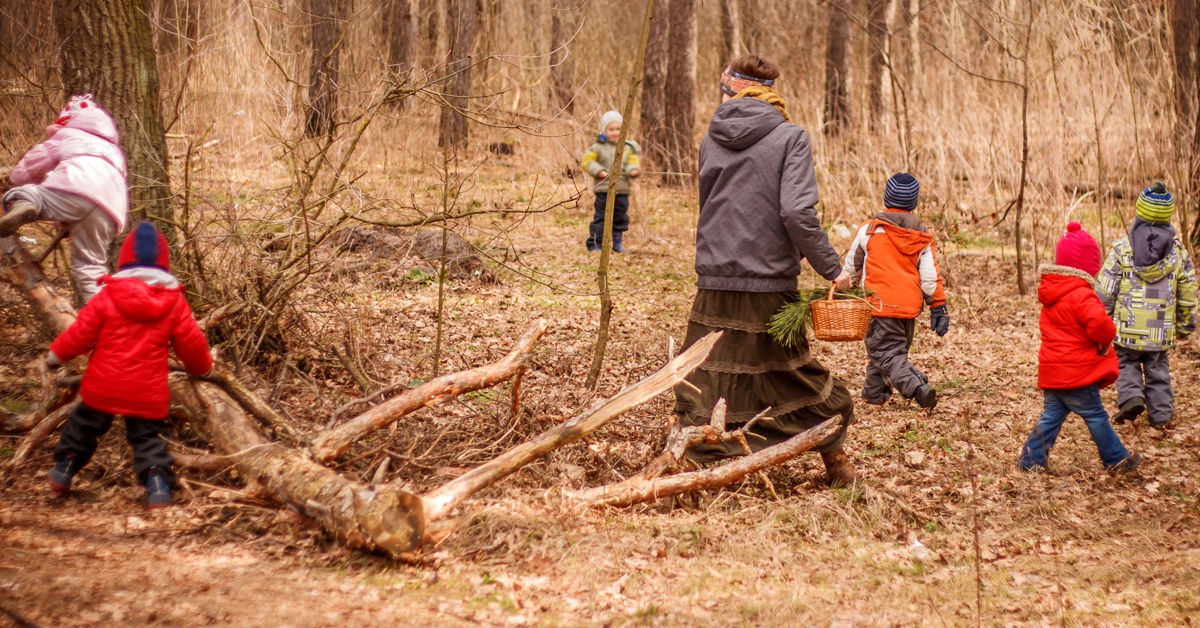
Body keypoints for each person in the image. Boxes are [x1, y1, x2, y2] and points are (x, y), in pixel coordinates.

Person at [672, 54, 858, 487]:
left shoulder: (710, 137)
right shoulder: (790, 137)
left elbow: (708, 207)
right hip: (769, 282)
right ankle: (836, 463)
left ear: (731, 88)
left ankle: (693, 461)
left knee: (707, 378)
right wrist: (832, 269)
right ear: (771, 91)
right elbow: (796, 212)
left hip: (714, 280)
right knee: (795, 375)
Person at [44, 221, 213, 509]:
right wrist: (204, 369)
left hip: (102, 385)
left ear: (123, 260)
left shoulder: (107, 295)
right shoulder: (174, 302)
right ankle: (158, 486)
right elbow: (191, 343)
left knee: (83, 426)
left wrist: (55, 357)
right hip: (147, 391)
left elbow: (80, 334)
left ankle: (64, 469)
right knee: (148, 438)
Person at [1018, 222, 1141, 474]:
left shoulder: (1053, 291)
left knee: (1051, 417)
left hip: (1054, 371)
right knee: (1095, 415)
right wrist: (1109, 334)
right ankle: (1116, 459)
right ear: (1088, 267)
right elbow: (1100, 325)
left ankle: (1030, 461)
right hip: (1077, 373)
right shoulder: (1082, 295)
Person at [1, 94, 129, 303]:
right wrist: (71, 221)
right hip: (109, 210)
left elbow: (33, 164)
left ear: (68, 120)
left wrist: (14, 180)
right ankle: (107, 322)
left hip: (74, 188)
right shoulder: (115, 151)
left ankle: (26, 204)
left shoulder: (68, 135)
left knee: (25, 194)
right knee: (91, 268)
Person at [839, 173, 948, 409]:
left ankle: (917, 386)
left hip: (879, 306)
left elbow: (851, 268)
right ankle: (874, 393)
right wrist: (938, 306)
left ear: (886, 197)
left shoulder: (868, 231)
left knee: (885, 352)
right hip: (908, 309)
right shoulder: (922, 236)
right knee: (888, 352)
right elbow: (929, 279)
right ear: (914, 203)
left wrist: (844, 288)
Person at [1097, 182, 1197, 430]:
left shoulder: (1122, 248)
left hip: (1127, 327)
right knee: (1158, 368)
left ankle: (1131, 398)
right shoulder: (1178, 252)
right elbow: (1187, 293)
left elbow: (1106, 289)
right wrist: (1186, 324)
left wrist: (1101, 318)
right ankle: (1161, 415)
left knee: (1126, 361)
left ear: (1139, 214)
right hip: (1160, 329)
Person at [580, 110, 640, 252]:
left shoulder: (627, 147)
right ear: (604, 130)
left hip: (622, 189)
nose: (615, 132)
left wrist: (633, 170)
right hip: (604, 189)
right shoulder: (598, 147)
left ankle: (617, 244)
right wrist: (599, 171)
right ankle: (595, 243)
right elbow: (587, 162)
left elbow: (632, 162)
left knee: (620, 218)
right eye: (611, 129)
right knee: (601, 217)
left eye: (618, 129)